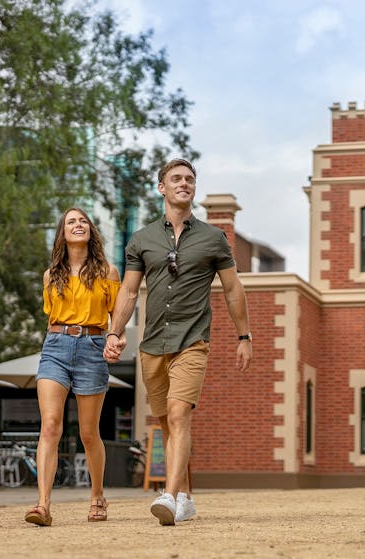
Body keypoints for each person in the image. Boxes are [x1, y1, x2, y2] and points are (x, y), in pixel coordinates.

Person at [103, 158, 252, 526]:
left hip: (192, 339)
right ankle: (185, 496)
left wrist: (244, 336)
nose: (184, 183)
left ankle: (168, 496)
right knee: (167, 424)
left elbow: (233, 289)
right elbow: (128, 291)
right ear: (162, 188)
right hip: (152, 343)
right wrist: (114, 331)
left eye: (189, 179)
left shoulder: (213, 238)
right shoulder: (142, 239)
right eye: (176, 179)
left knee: (179, 412)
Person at [25, 208, 121, 526]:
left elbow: (116, 317)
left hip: (92, 348)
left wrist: (114, 339)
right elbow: (51, 316)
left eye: (83, 221)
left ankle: (97, 497)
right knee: (50, 426)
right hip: (55, 347)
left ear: (91, 231)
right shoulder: (50, 275)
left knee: (88, 433)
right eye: (71, 222)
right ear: (62, 233)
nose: (78, 225)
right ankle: (42, 505)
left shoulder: (108, 272)